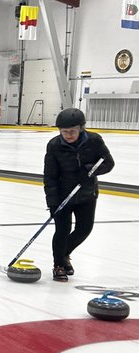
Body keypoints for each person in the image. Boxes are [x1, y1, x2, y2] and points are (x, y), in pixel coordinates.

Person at [44, 107, 115, 282]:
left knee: (84, 229)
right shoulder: (54, 146)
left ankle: (64, 253)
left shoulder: (94, 141)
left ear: (81, 128)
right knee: (62, 230)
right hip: (62, 195)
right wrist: (52, 202)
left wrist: (90, 169)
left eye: (72, 131)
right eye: (64, 131)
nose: (68, 135)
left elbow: (108, 162)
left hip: (86, 193)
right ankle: (59, 265)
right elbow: (50, 176)